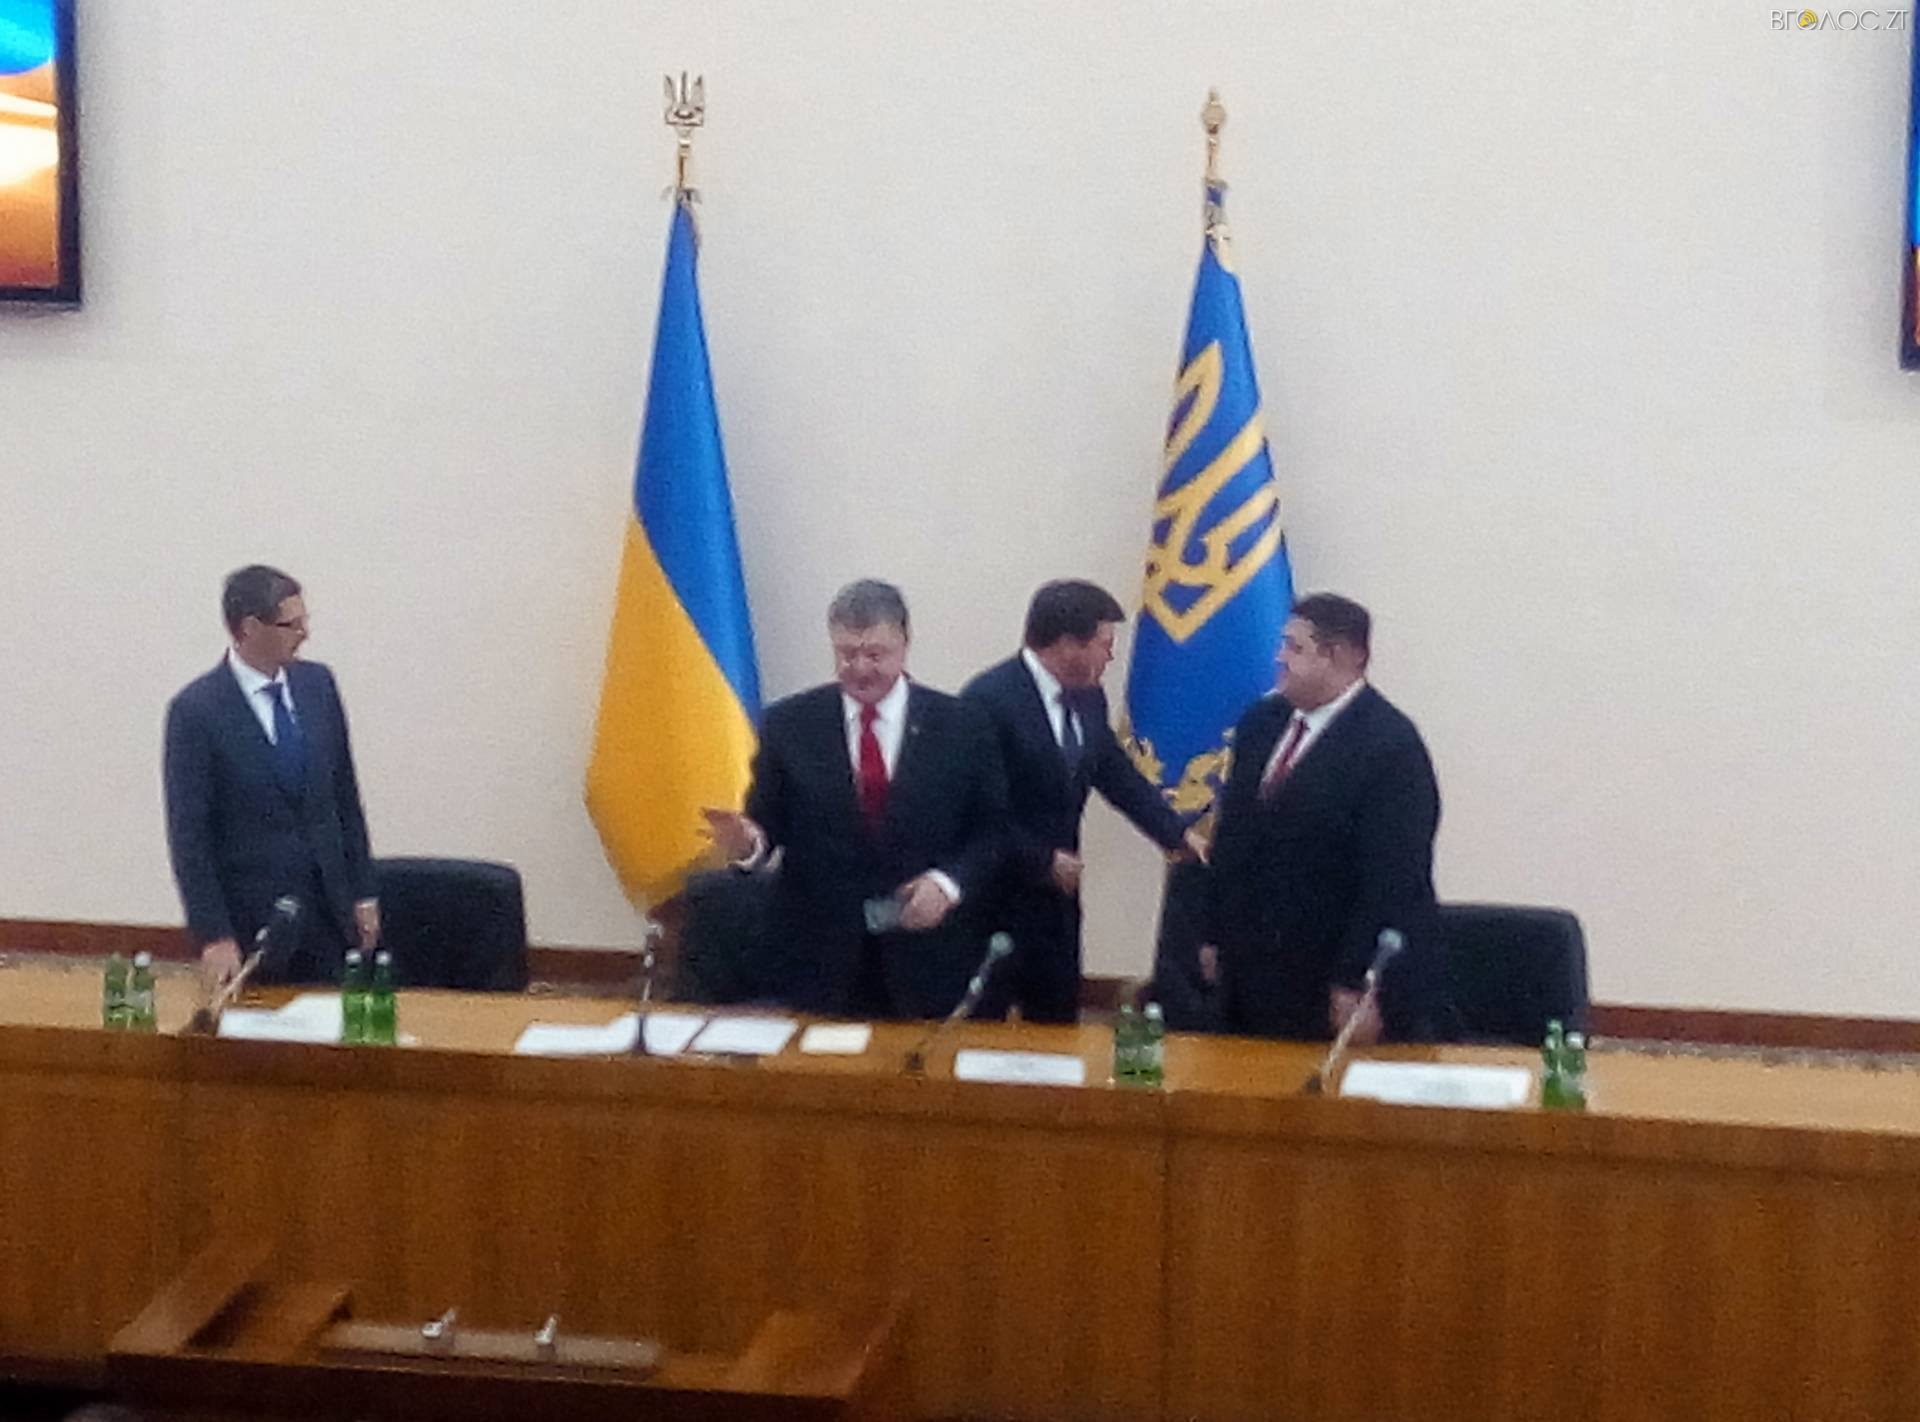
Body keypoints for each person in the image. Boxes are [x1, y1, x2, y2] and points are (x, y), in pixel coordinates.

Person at [703, 580, 1008, 1019]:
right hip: (821, 958)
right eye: (847, 654)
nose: (861, 668)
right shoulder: (789, 724)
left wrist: (947, 884)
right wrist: (749, 843)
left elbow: (993, 832)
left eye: (875, 654)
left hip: (930, 954)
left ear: (904, 643)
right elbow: (768, 822)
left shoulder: (963, 726)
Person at [1200, 593, 1444, 1042]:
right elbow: (1233, 834)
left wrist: (1354, 978)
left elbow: (1393, 876)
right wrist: (1214, 933)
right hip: (1250, 969)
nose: (1280, 658)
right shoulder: (1261, 722)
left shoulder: (1391, 745)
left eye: (1295, 647)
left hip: (1329, 974)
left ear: (1339, 656)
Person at [961, 580, 1204, 1023]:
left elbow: (1114, 772)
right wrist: (1042, 860)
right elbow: (977, 810)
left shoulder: (1089, 696)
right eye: (1104, 644)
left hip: (1057, 905)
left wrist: (1176, 833)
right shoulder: (988, 701)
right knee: (983, 1028)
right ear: (1068, 644)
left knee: (1057, 1024)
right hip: (995, 902)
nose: (1110, 656)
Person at [163, 565, 379, 986]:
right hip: (254, 922)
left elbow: (345, 797)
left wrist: (363, 891)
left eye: (304, 621)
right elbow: (189, 837)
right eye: (290, 625)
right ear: (249, 628)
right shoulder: (196, 712)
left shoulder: (318, 686)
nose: (304, 634)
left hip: (330, 914)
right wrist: (214, 934)